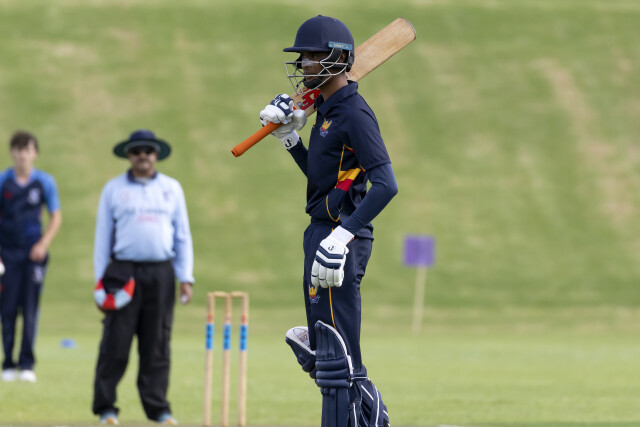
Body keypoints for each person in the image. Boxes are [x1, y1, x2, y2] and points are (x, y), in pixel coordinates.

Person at [259, 15, 397, 427]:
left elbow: (386, 185)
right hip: (321, 231)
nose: (304, 64)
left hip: (341, 237)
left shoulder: (354, 114)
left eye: (313, 56)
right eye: (302, 56)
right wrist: (289, 140)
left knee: (340, 359)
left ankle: (372, 420)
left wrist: (342, 237)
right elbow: (323, 184)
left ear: (338, 59)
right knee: (325, 358)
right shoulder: (325, 111)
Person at [92, 129, 194, 425]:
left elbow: (182, 235)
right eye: (136, 151)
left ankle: (158, 408)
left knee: (157, 343)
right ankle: (106, 408)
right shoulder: (113, 189)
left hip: (161, 273)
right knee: (115, 342)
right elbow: (102, 239)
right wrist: (100, 284)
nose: (143, 156)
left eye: (148, 150)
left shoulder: (171, 188)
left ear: (156, 154)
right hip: (122, 272)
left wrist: (185, 277)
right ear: (129, 155)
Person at [0, 130, 62, 383]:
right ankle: (8, 363)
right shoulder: (3, 181)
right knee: (7, 309)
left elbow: (55, 216)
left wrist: (43, 244)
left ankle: (27, 364)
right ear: (12, 153)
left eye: (27, 150)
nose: (22, 155)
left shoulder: (44, 182)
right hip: (7, 254)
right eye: (18, 150)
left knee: (30, 309)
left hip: (33, 254)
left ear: (34, 153)